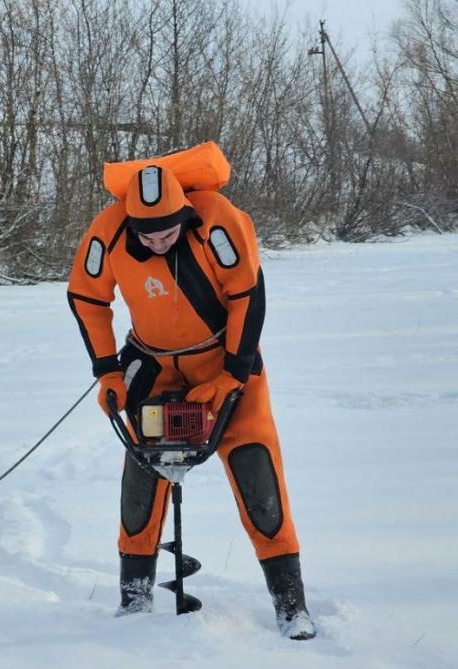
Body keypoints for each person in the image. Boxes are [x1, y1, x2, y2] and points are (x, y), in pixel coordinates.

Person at [67, 163, 316, 639]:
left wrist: (232, 375)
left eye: (167, 233)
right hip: (153, 366)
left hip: (225, 361)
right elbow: (86, 296)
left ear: (183, 215)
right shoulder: (110, 228)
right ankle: (134, 599)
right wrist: (108, 372)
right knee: (142, 473)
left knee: (256, 471)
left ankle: (292, 605)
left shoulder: (217, 220)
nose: (158, 242)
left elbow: (248, 293)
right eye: (148, 236)